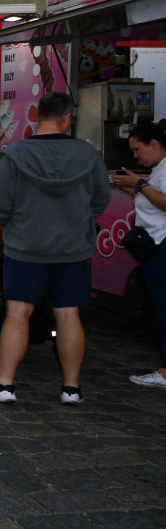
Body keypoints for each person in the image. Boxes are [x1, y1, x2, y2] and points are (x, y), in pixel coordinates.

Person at [0, 92, 110, 405]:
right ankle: (71, 389)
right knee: (68, 314)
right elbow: (100, 200)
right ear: (67, 118)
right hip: (73, 250)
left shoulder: (16, 154)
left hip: (26, 248)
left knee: (18, 313)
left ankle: (5, 384)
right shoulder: (89, 156)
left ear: (37, 116)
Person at [110, 122, 166, 389]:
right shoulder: (159, 169)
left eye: (137, 149)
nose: (135, 156)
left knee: (163, 308)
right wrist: (131, 189)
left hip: (161, 245)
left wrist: (139, 184)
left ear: (153, 144)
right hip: (156, 245)